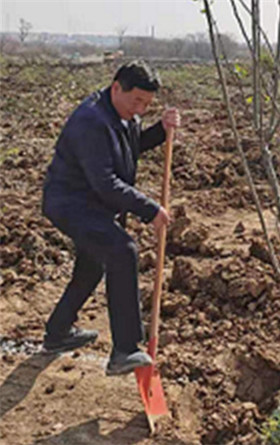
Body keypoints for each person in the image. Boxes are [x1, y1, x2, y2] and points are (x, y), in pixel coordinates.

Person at [41, 60, 181, 376]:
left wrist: (161, 129)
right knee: (122, 250)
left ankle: (58, 332)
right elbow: (104, 182)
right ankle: (125, 349)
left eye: (147, 104)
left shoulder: (122, 114)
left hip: (94, 204)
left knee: (93, 265)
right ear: (116, 87)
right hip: (71, 203)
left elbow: (132, 145)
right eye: (137, 101)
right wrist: (150, 209)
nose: (140, 109)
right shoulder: (90, 120)